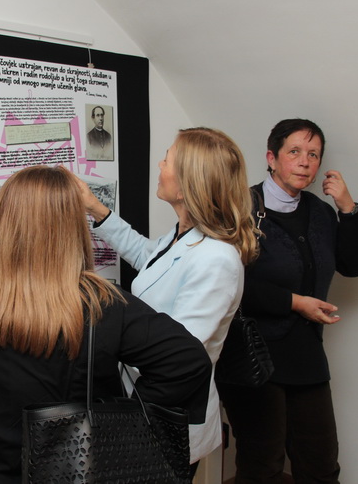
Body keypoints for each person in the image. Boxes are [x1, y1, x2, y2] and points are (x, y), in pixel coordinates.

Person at [0, 165, 212, 484]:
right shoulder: (97, 305)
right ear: (71, 230)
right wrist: (126, 423)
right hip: (68, 473)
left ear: (1, 221)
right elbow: (187, 361)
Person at [77, 127, 259, 469]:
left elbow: (181, 355)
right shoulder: (185, 236)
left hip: (168, 415)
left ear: (189, 183)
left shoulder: (217, 260)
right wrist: (95, 208)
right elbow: (148, 258)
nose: (160, 165)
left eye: (168, 160)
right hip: (145, 401)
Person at [217, 119, 358, 484]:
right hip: (253, 358)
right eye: (295, 152)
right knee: (262, 467)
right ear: (271, 158)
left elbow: (354, 265)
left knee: (321, 466)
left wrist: (347, 208)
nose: (305, 162)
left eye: (314, 155)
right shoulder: (240, 208)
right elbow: (226, 283)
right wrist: (294, 302)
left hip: (307, 358)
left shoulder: (320, 212)